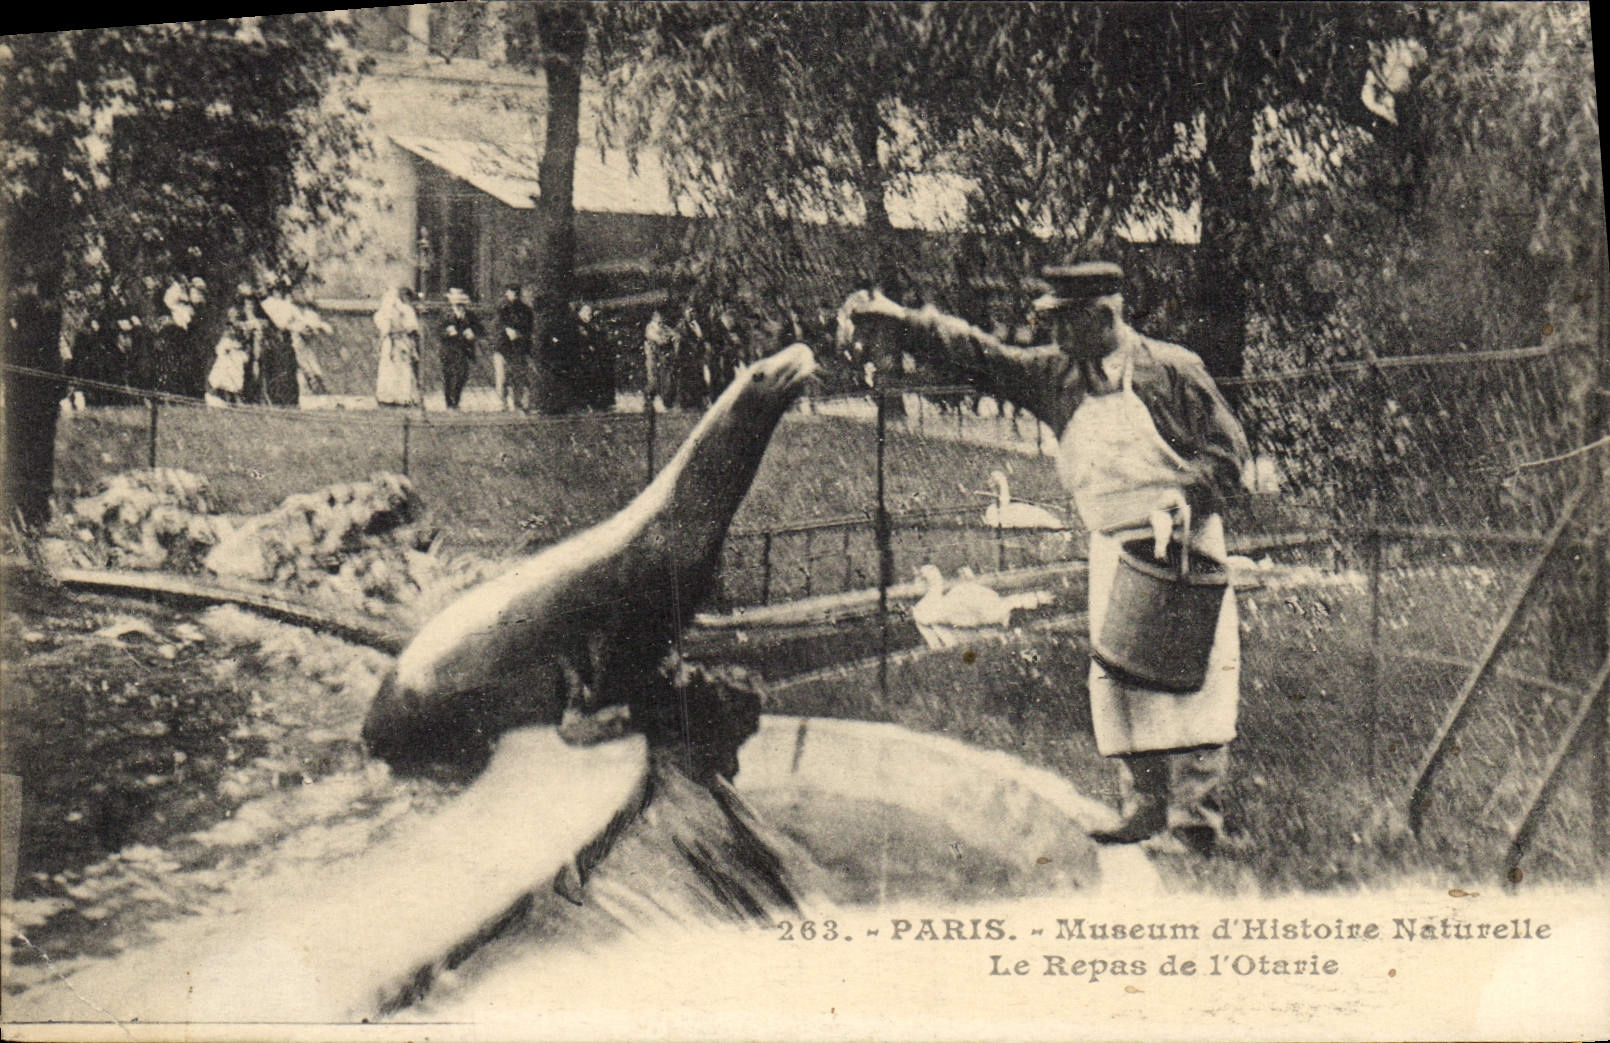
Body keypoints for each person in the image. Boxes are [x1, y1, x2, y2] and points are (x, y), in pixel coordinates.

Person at [838, 262, 1250, 856]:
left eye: (1065, 320)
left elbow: (1230, 454)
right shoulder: (1058, 376)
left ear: (1103, 317)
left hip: (1186, 544)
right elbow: (983, 356)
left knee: (1197, 681)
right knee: (1120, 680)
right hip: (1114, 545)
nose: (1052, 331)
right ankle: (1143, 805)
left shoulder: (1173, 370)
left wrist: (1188, 495)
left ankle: (1193, 822)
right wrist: (905, 323)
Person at [374, 286, 422, 408]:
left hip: (395, 341)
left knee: (396, 368)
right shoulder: (403, 311)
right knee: (398, 369)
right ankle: (399, 396)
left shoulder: (394, 312)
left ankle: (393, 397)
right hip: (398, 341)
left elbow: (386, 330)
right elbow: (412, 328)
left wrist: (380, 343)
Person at [439, 287, 481, 410]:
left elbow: (480, 328)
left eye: (462, 304)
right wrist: (447, 332)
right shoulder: (445, 314)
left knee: (462, 375)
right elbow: (438, 330)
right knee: (449, 376)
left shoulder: (470, 315)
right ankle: (450, 403)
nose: (460, 306)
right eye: (457, 303)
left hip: (464, 350)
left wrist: (473, 333)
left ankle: (456, 400)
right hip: (448, 349)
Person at [495, 283, 534, 411]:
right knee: (503, 376)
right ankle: (503, 402)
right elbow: (498, 325)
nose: (508, 295)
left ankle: (517, 402)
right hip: (504, 347)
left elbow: (529, 329)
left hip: (519, 347)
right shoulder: (502, 308)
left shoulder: (526, 310)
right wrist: (506, 330)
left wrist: (518, 334)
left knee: (518, 376)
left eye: (510, 292)